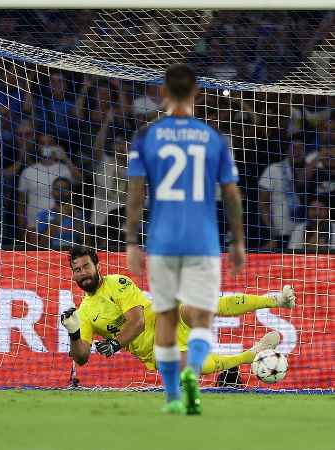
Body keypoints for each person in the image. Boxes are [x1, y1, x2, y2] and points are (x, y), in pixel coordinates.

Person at [124, 64, 245, 415]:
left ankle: (173, 395)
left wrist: (132, 241)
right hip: (202, 240)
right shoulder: (213, 138)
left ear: (163, 92)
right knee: (202, 318)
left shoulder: (147, 136)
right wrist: (237, 241)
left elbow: (135, 194)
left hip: (162, 240)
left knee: (165, 318)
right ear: (196, 93)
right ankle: (193, 372)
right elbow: (232, 195)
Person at [60, 246, 293, 379]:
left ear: (97, 266)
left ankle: (275, 300)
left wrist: (114, 345)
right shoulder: (85, 313)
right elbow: (81, 358)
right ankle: (250, 355)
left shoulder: (117, 283)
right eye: (77, 270)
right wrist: (73, 332)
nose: (82, 273)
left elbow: (137, 322)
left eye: (86, 266)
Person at [33, 177, 85, 250]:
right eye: (57, 189)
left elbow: (88, 243)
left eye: (64, 189)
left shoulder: (79, 214)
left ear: (70, 192)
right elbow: (42, 243)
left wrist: (76, 218)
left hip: (74, 254)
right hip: (51, 255)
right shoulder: (43, 215)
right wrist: (59, 217)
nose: (61, 192)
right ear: (52, 192)